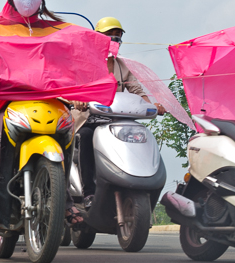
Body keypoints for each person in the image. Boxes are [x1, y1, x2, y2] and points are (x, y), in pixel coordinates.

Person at [0, 0, 84, 226]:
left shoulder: (54, 33)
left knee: (70, 137)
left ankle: (65, 201)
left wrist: (77, 94)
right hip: (7, 106)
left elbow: (69, 68)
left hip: (49, 103)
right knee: (2, 142)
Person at [70, 17, 166, 199]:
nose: (114, 40)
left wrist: (151, 105)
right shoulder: (84, 64)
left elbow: (136, 90)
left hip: (117, 120)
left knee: (141, 137)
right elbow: (73, 87)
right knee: (85, 137)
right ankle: (88, 192)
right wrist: (77, 99)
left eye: (117, 36)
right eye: (109, 36)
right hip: (90, 119)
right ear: (97, 38)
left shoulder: (123, 66)